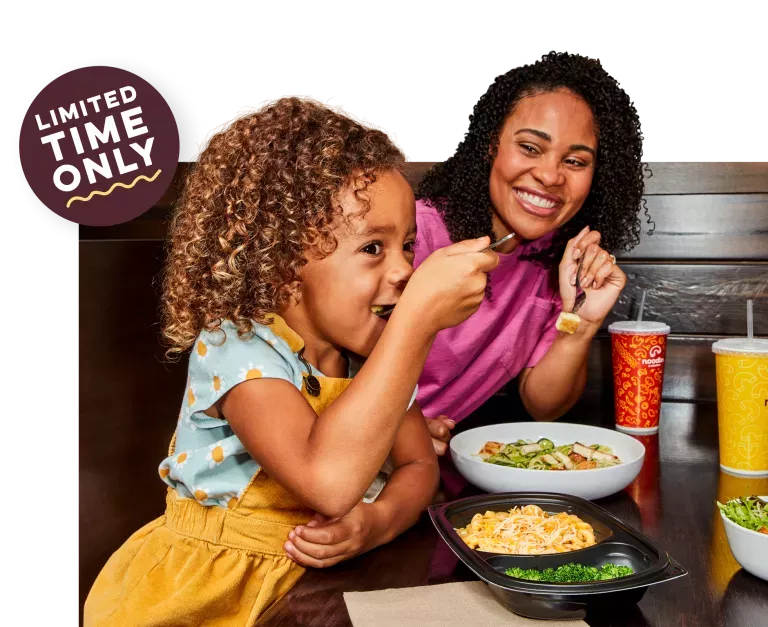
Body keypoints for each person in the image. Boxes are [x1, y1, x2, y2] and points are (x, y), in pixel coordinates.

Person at [83, 94, 498, 626]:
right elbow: (327, 480)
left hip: (319, 589)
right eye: (373, 248)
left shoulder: (375, 355)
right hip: (209, 597)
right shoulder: (238, 348)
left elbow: (419, 465)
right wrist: (417, 324)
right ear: (281, 261)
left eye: (409, 247)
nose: (403, 271)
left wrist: (379, 520)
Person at [413, 51, 646, 455]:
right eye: (530, 148)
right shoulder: (415, 232)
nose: (551, 175)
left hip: (429, 468)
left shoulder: (559, 260)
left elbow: (543, 405)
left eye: (575, 161)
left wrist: (583, 321)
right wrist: (400, 428)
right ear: (492, 147)